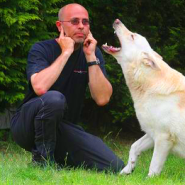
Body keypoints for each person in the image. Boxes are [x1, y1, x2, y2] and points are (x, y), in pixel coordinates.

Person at [10, 3, 124, 172]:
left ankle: (58, 158)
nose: (81, 26)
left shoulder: (91, 52)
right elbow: (40, 87)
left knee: (115, 166)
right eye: (74, 21)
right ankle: (42, 162)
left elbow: (102, 98)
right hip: (27, 127)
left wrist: (91, 57)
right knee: (54, 99)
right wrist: (66, 53)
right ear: (59, 25)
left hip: (62, 128)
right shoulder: (42, 49)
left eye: (85, 22)